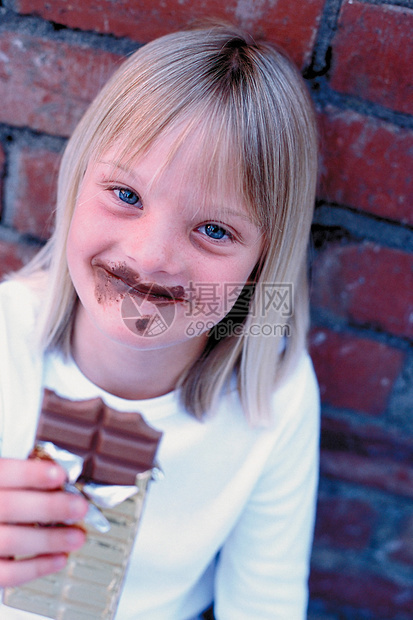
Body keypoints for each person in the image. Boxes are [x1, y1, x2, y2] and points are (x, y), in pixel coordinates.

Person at [0, 23, 319, 620]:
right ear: (76, 182)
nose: (150, 257)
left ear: (261, 265)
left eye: (215, 230)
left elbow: (266, 603)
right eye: (125, 194)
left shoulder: (277, 396)